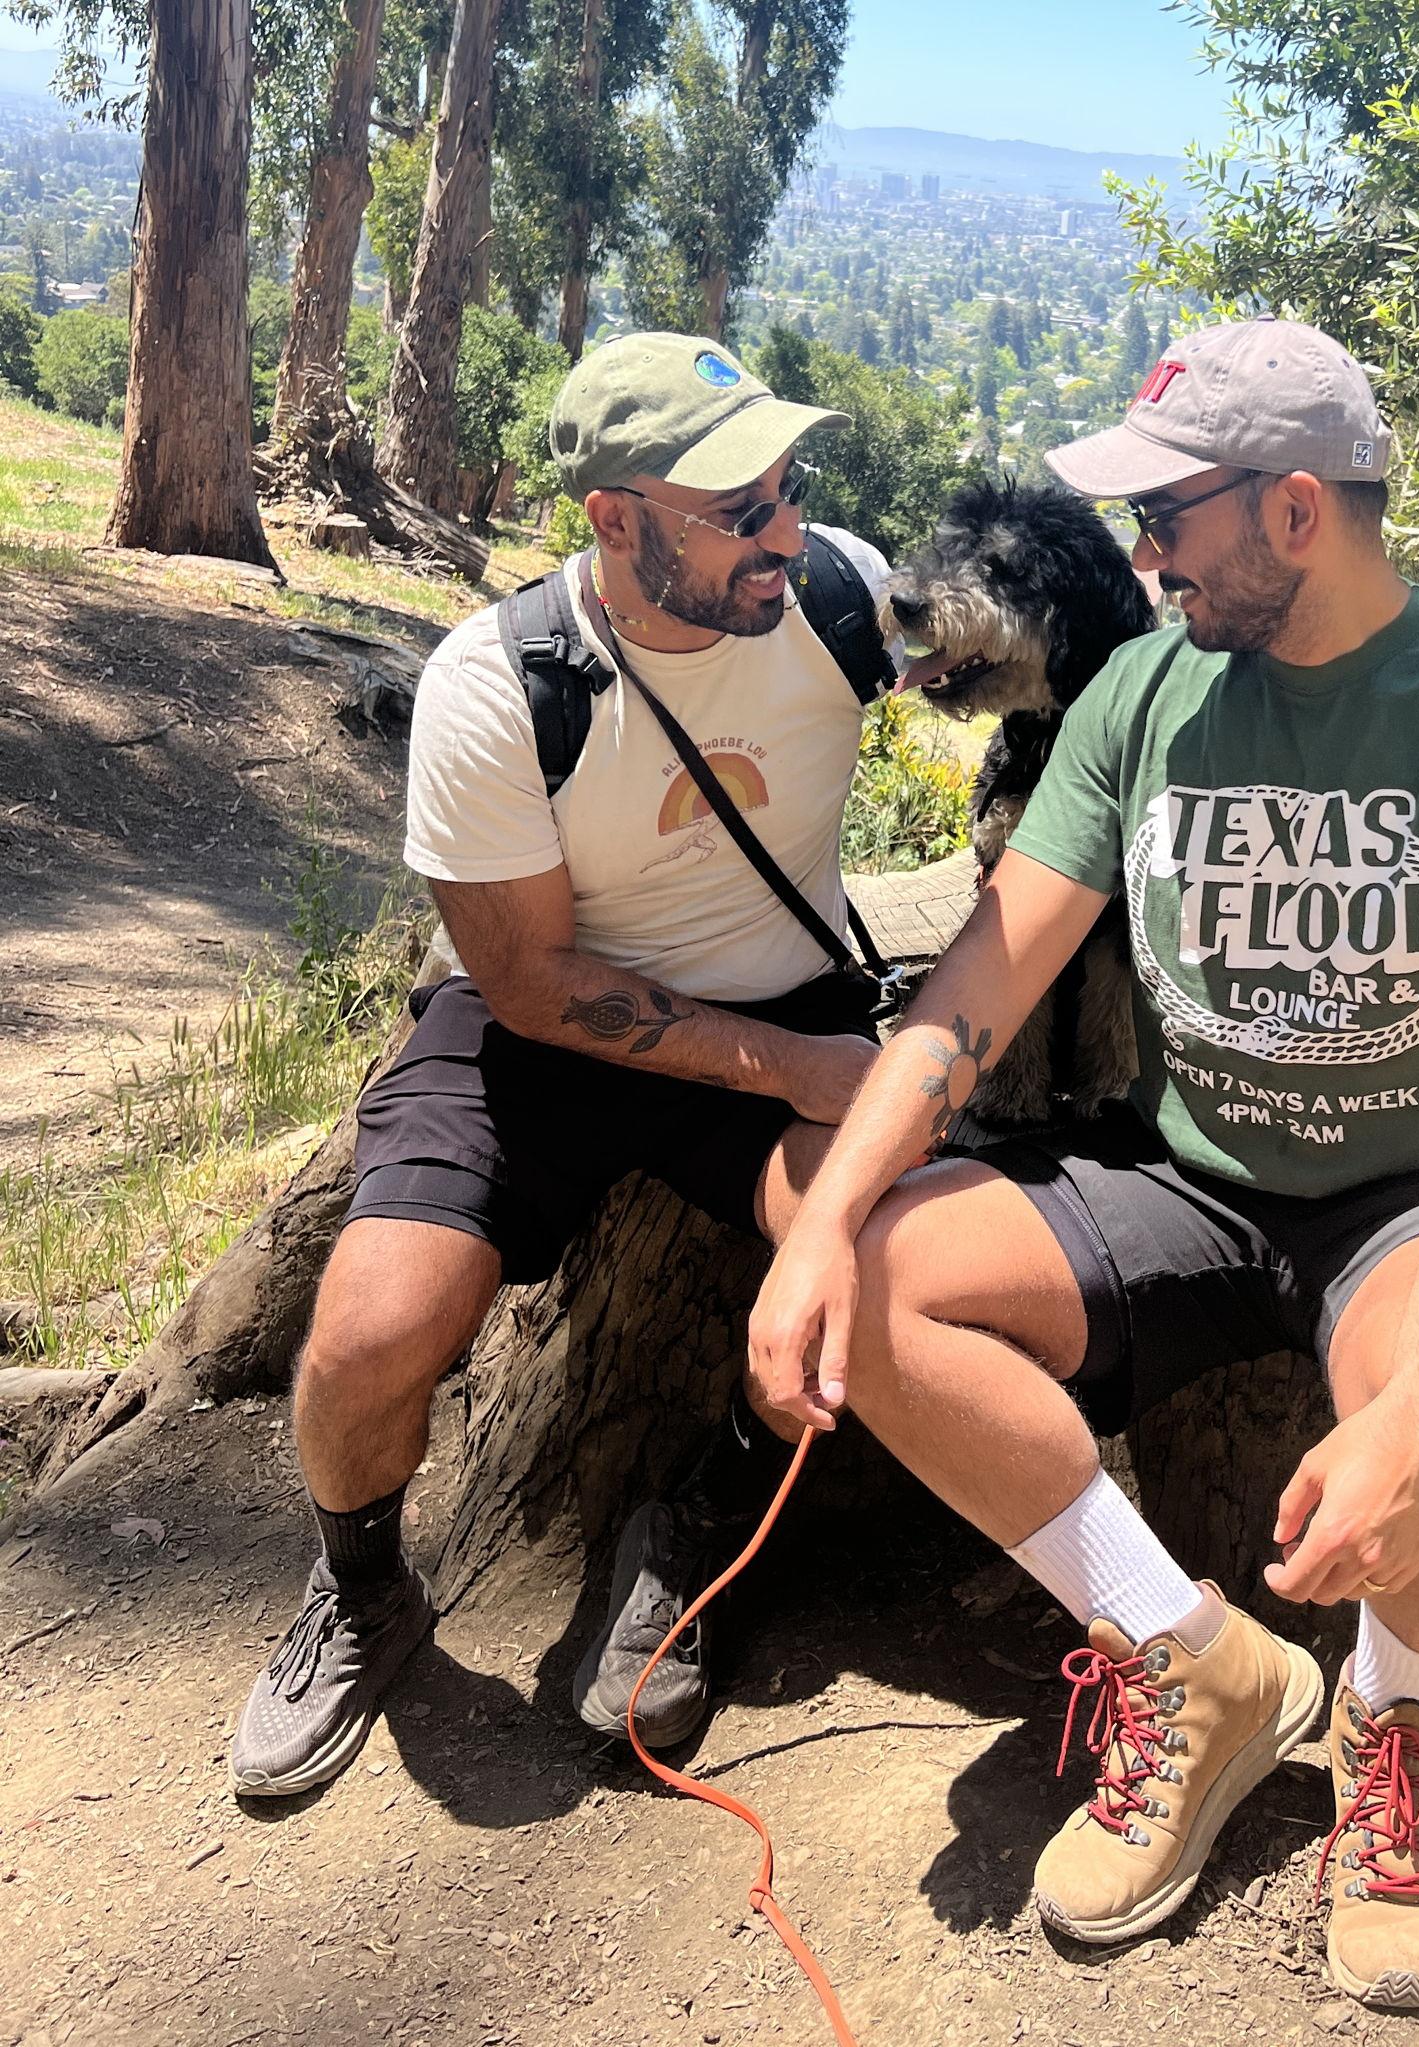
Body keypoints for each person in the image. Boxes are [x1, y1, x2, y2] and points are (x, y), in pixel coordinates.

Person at [749, 316, 1419, 2009]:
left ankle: (1393, 1730)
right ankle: (1191, 1658)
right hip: (1196, 1174)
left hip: (1406, 1197)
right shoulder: (1147, 691)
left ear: (1295, 511)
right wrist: (824, 1225)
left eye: (1170, 516)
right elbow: (974, 994)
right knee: (855, 1255)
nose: (1142, 555)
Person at [230, 333, 891, 1798]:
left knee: (896, 1282)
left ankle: (697, 1522)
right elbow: (530, 984)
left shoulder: (843, 595)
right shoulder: (501, 681)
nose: (783, 530)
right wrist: (790, 1068)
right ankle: (362, 1585)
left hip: (784, 991)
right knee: (364, 1339)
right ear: (614, 518)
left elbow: (1060, 669)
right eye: (738, 508)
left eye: (788, 487)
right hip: (544, 1030)